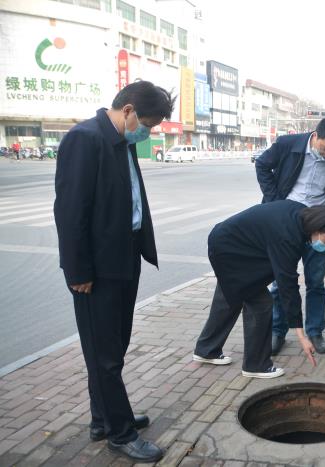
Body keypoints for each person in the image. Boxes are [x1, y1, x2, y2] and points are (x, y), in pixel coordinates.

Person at [54, 81, 174, 463]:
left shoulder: (121, 140)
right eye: (148, 125)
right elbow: (70, 212)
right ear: (128, 111)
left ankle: (102, 418)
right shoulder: (84, 139)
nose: (148, 132)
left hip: (124, 258)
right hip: (96, 270)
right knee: (103, 354)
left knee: (113, 348)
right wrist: (78, 271)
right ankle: (120, 434)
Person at [192, 118, 325, 364]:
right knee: (267, 292)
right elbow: (262, 164)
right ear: (316, 135)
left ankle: (313, 332)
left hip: (319, 224)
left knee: (312, 283)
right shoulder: (288, 144)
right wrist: (275, 201)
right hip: (284, 227)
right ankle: (269, 343)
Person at [197, 202, 325, 378]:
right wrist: (301, 336)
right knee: (260, 303)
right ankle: (256, 365)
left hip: (231, 243)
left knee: (230, 295)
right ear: (318, 226)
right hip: (229, 251)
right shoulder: (287, 235)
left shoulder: (301, 216)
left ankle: (206, 350)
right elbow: (287, 283)